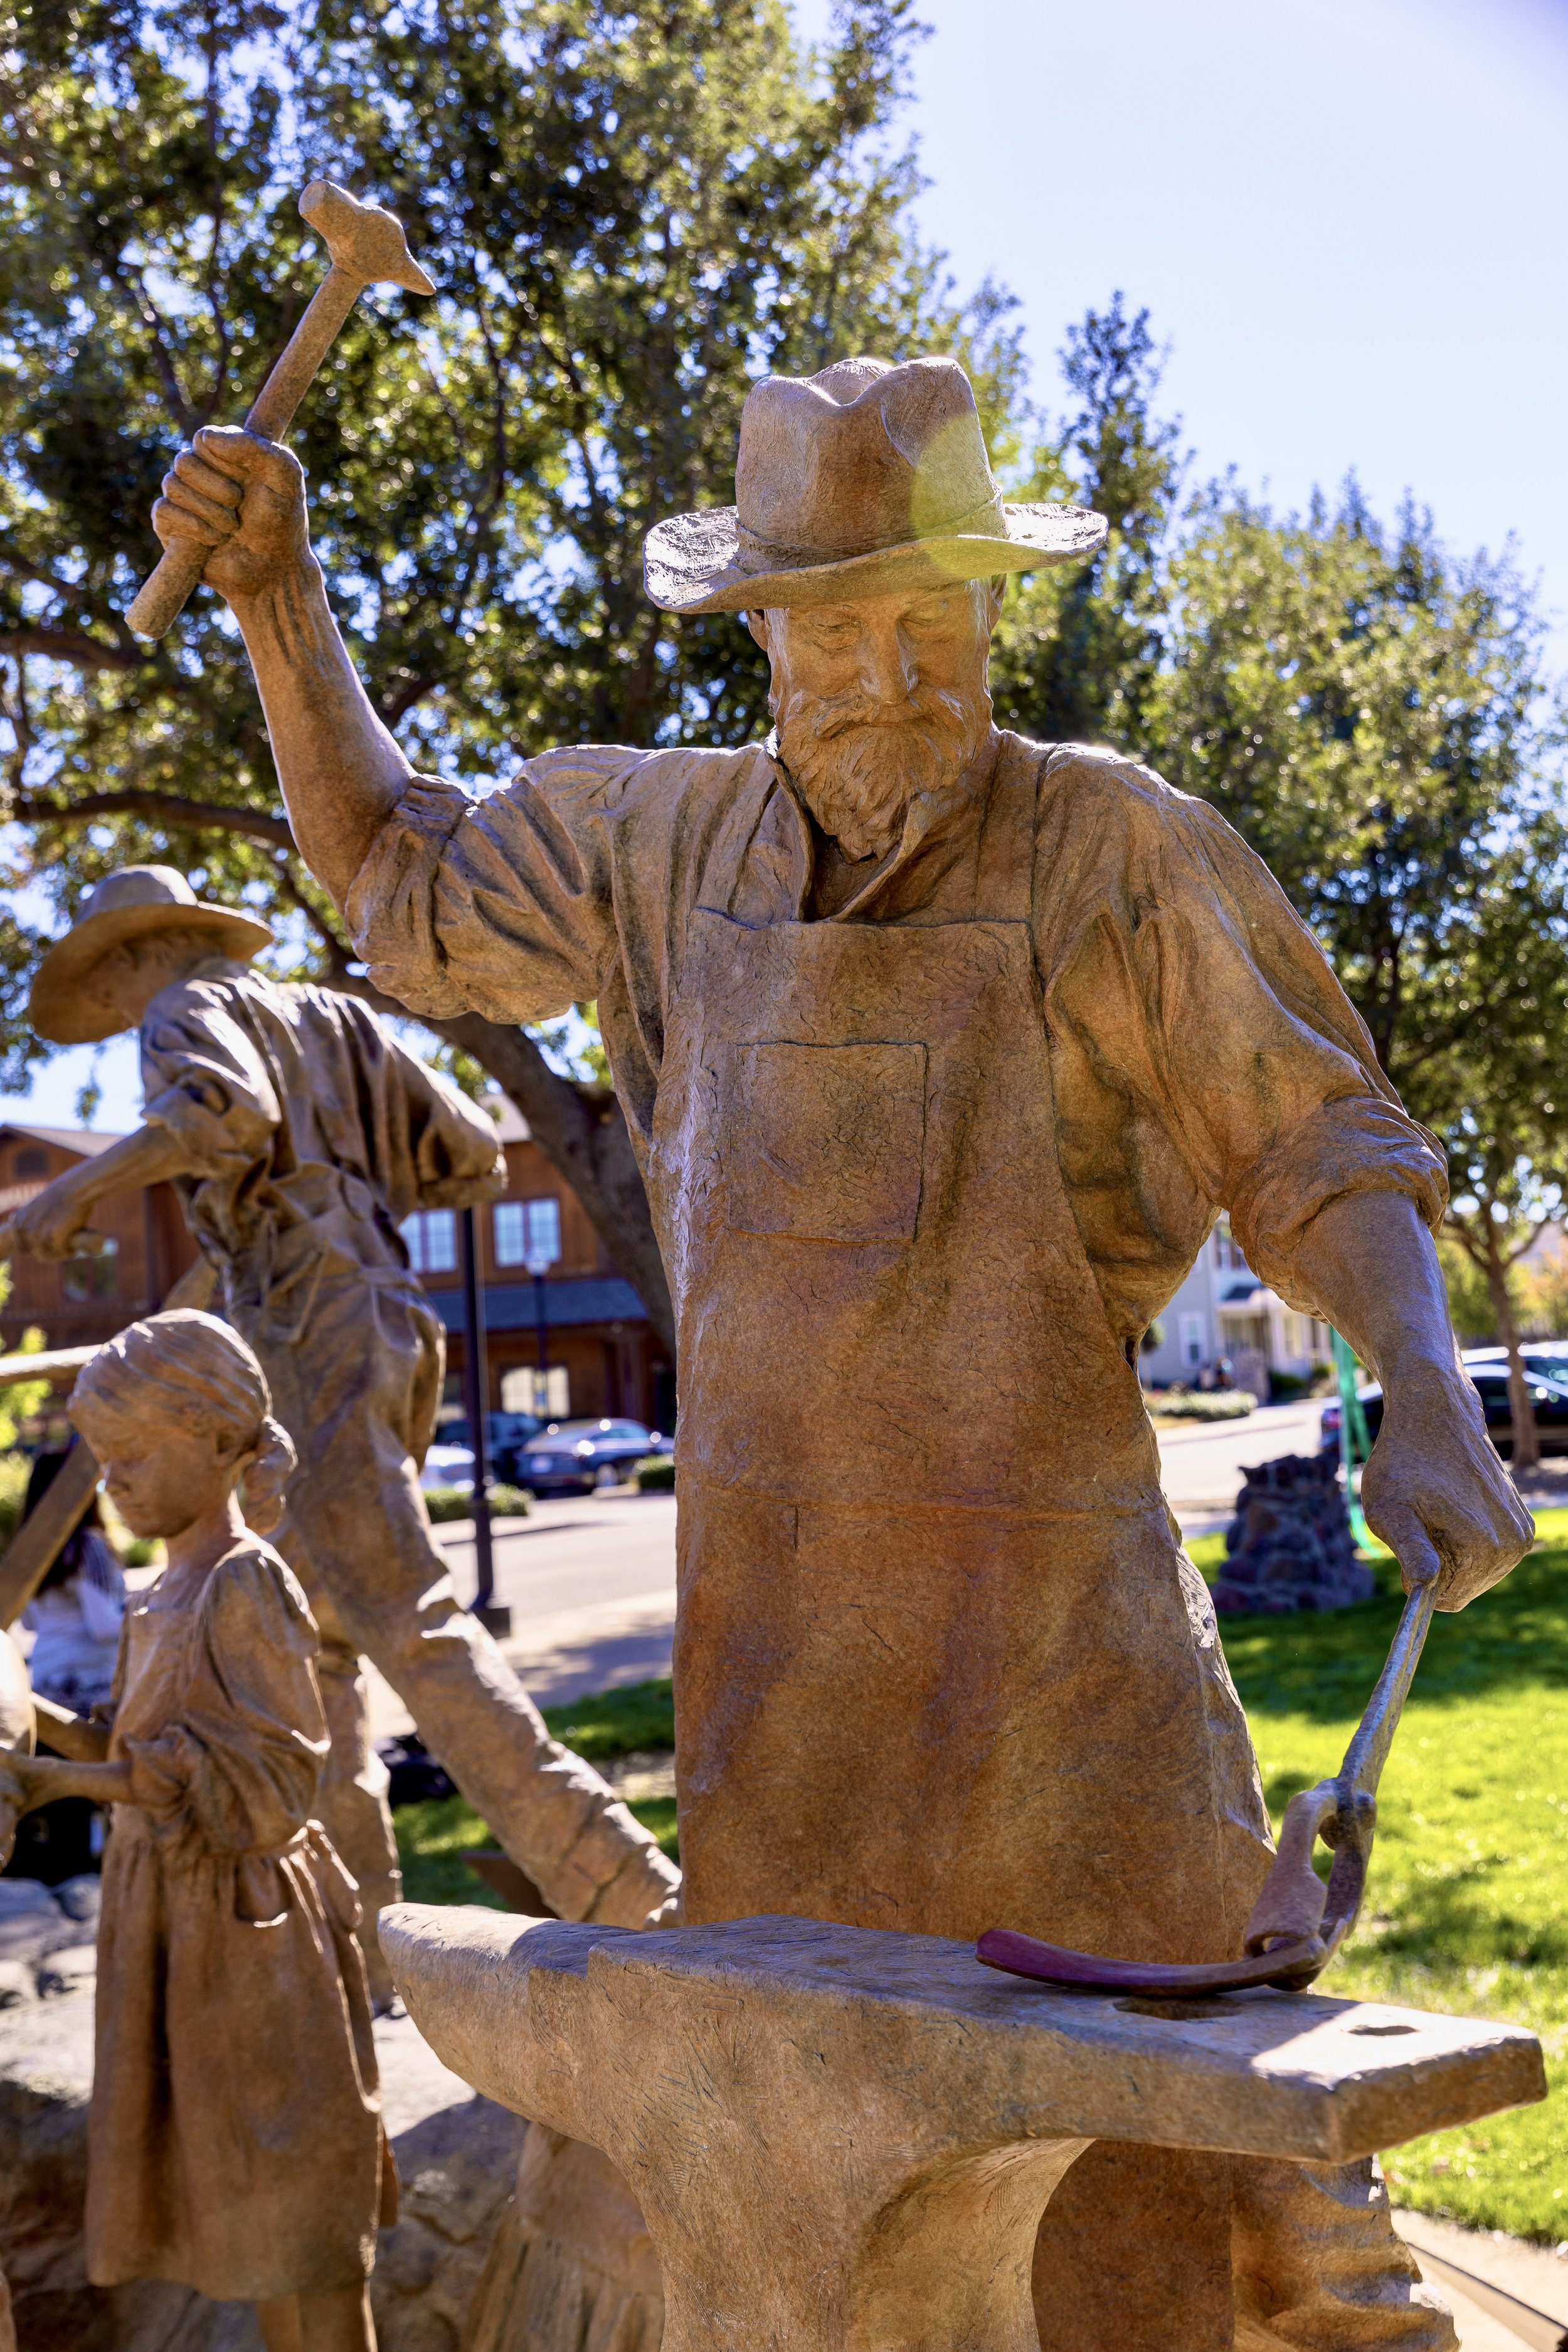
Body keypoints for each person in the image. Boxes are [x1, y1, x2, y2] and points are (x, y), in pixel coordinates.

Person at [140, 352, 1534, 2349]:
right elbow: (391, 885)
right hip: (779, 1723)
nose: (887, 682)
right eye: (837, 636)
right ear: (758, 640)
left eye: (928, 627)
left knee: (1139, 2242)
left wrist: (1410, 1368)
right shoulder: (645, 842)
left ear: (986, 615)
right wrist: (285, 606)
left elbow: (1309, 1139)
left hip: (1079, 1714)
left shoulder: (1109, 848)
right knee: (822, 2261)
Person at [5, 869, 679, 2001]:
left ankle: (641, 1899)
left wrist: (80, 1191)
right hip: (387, 1321)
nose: (118, 1009)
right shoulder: (335, 1015)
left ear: (134, 959)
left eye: (111, 979)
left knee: (406, 1623)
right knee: (318, 1650)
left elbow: (227, 1113)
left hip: (305, 1331)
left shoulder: (184, 1013)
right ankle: (362, 1958)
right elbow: (467, 1150)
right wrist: (341, 1193)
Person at [0, 1311, 394, 2352]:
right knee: (252, 2225)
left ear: (222, 1443)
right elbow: (131, 1740)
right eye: (104, 1460)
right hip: (180, 1932)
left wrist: (63, 1788)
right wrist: (37, 1724)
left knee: (305, 2223)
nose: (114, 1481)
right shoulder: (155, 1591)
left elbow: (272, 1779)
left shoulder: (243, 1581)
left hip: (253, 1935)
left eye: (134, 1455)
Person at [20, 1454, 126, 1715]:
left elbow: (29, 1623)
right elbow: (103, 1628)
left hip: (44, 1686)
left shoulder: (29, 1549)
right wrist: (149, 1612)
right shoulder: (88, 1545)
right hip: (91, 1685)